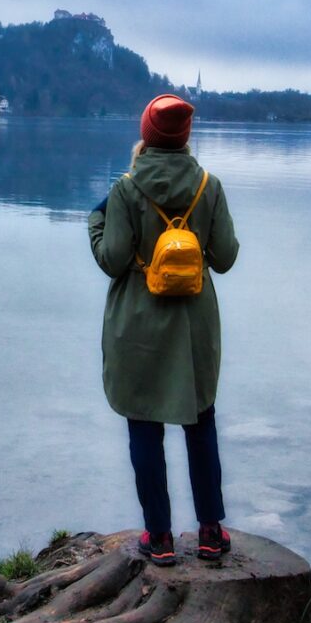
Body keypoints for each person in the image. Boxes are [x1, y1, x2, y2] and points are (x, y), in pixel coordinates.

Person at [88, 94, 239, 566]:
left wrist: (97, 223)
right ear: (184, 138)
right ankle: (212, 532)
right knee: (201, 422)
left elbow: (112, 259)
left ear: (147, 135)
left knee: (144, 425)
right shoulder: (209, 186)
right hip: (194, 325)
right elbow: (226, 257)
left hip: (139, 324)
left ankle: (160, 537)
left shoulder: (127, 189)